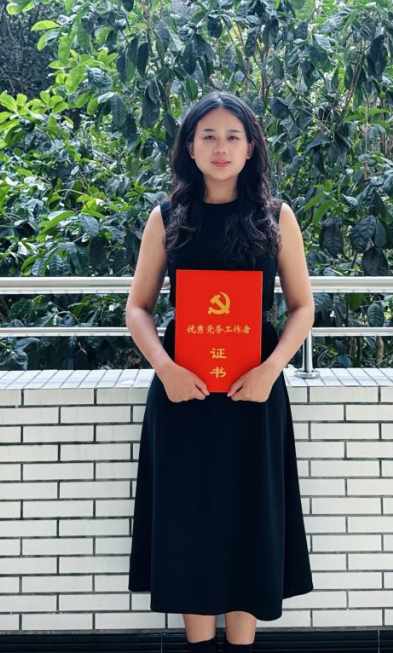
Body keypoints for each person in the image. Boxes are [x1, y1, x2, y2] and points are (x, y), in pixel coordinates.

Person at [125, 91, 316, 652]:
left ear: (251, 147)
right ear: (190, 147)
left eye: (233, 136)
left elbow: (302, 307)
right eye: (207, 135)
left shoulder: (276, 217)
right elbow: (138, 308)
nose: (220, 147)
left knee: (247, 518)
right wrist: (165, 369)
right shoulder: (167, 218)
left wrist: (271, 370)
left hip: (252, 394)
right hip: (183, 395)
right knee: (190, 521)